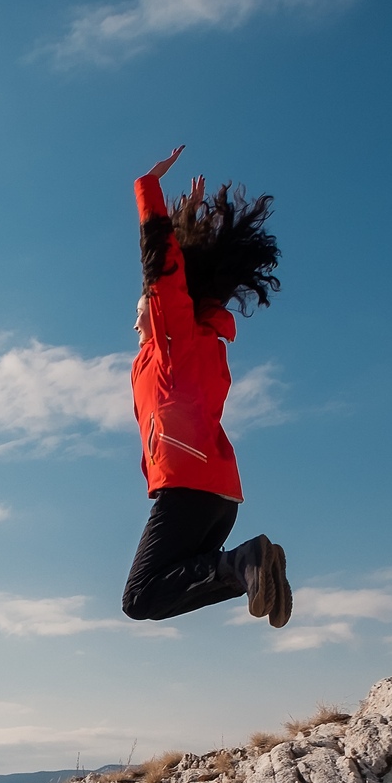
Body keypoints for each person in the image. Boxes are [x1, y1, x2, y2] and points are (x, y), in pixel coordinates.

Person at [122, 145, 290, 630]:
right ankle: (249, 568)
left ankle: (243, 562)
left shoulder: (175, 341)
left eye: (141, 312)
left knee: (140, 596)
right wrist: (187, 221)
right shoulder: (198, 346)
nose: (136, 323)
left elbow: (163, 273)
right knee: (155, 594)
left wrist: (148, 191)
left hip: (190, 489)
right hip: (217, 498)